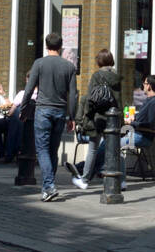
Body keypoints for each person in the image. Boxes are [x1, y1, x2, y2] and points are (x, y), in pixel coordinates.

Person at [27, 32, 78, 202]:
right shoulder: (69, 67)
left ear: (46, 46)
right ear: (61, 46)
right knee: (52, 151)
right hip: (60, 112)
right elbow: (73, 95)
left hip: (43, 110)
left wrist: (24, 107)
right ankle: (48, 187)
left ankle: (49, 186)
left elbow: (29, 89)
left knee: (42, 149)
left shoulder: (39, 63)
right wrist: (72, 116)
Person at [72, 49, 124, 190]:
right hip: (113, 117)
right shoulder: (116, 77)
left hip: (98, 117)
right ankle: (121, 181)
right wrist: (121, 117)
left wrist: (86, 116)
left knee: (93, 149)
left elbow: (90, 98)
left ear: (99, 61)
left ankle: (85, 179)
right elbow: (119, 99)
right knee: (115, 149)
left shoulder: (97, 76)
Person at [121, 76, 155, 152]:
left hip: (142, 137)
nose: (143, 85)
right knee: (109, 141)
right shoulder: (149, 99)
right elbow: (142, 116)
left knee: (111, 145)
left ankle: (95, 163)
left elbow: (151, 125)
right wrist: (134, 117)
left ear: (149, 86)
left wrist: (132, 123)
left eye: (145, 83)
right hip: (136, 133)